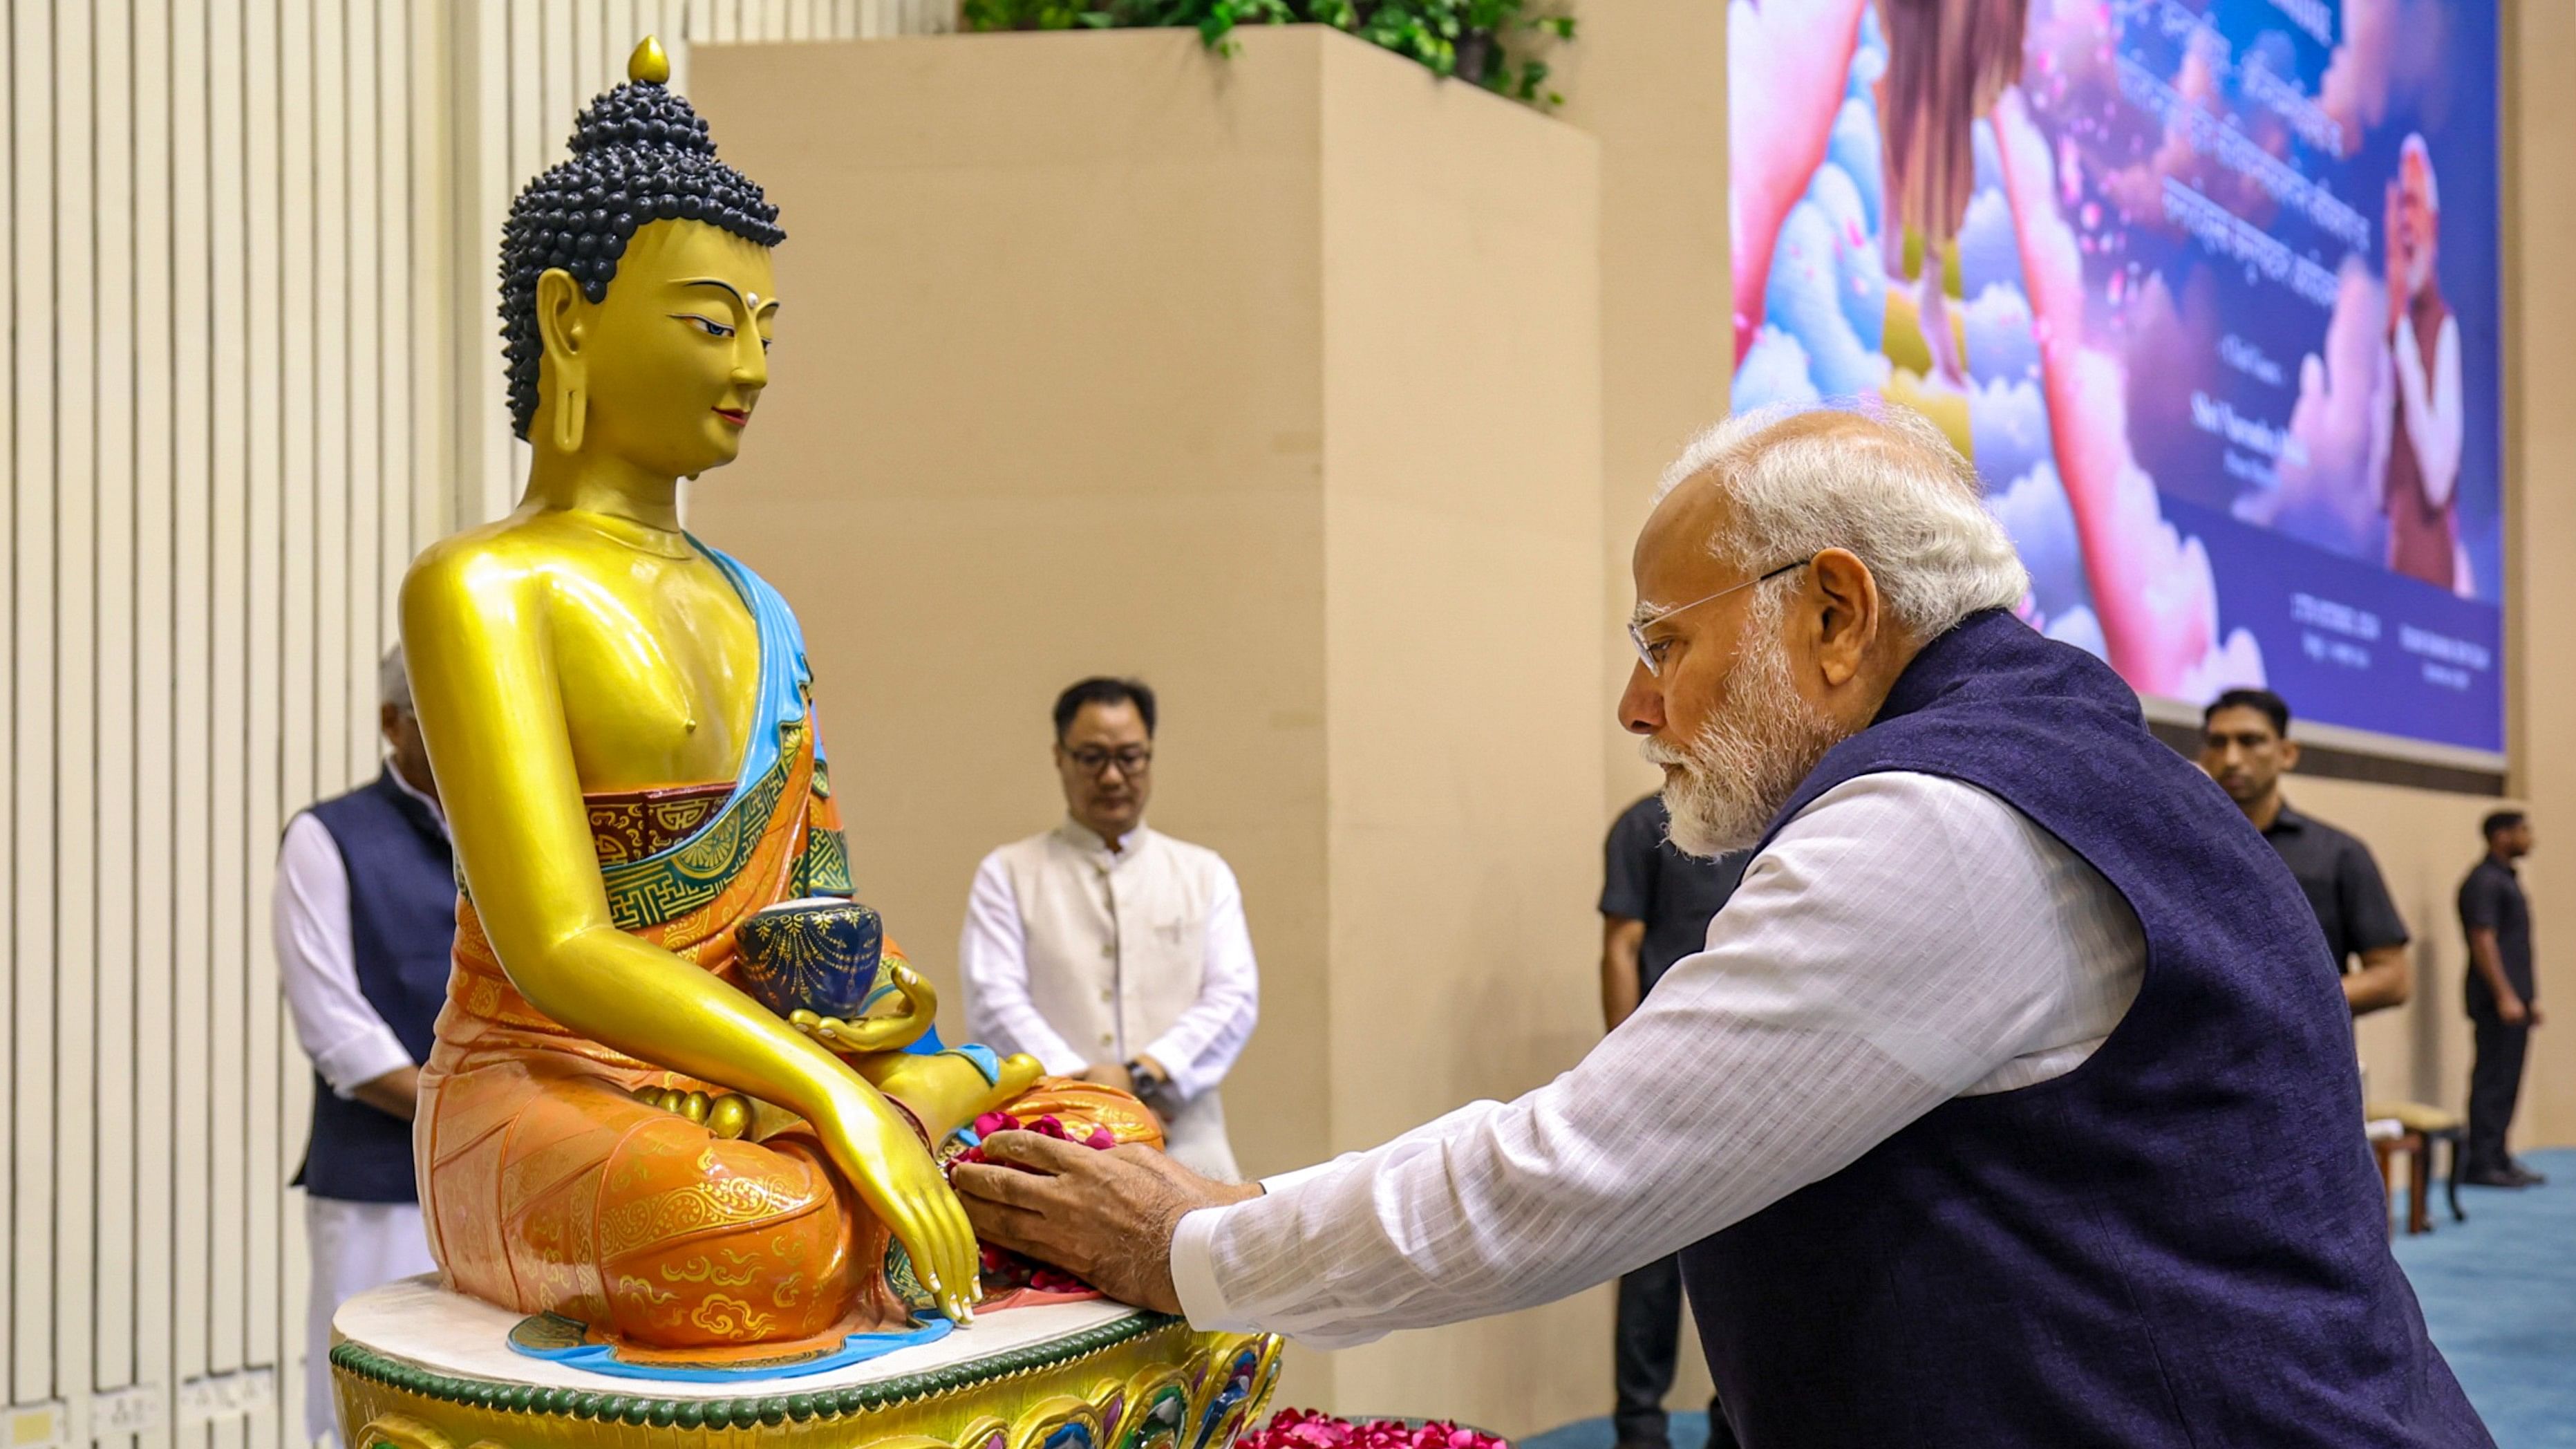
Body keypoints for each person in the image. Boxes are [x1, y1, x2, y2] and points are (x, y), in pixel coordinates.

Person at [951, 404, 2488, 1446]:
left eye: (1664, 643)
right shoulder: (2065, 759)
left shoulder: (1948, 826)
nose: (1636, 703)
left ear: (1831, 612)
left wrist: (1201, 1246)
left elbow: (1574, 1173)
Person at [961, 677, 1260, 1181]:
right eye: (1092, 757)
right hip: (1052, 1130)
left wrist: (1143, 1074)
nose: (1112, 776)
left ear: (1150, 755)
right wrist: (1084, 1085)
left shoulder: (1203, 873)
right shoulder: (1008, 873)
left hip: (1184, 1133)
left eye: (1130, 757)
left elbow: (1232, 997)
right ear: (1060, 757)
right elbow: (994, 999)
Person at [277, 647, 449, 1447]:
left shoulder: (512, 836)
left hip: (505, 1190)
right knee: (373, 1412)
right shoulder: (328, 836)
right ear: (392, 724)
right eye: (438, 717)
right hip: (382, 1185)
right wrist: (468, 1116)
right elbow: (336, 1031)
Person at [1598, 796, 1747, 1449]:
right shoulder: (1641, 827)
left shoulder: (1782, 819)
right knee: (1650, 1262)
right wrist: (1625, 1063)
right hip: (1663, 1074)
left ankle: (1732, 1420)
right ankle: (1638, 1426)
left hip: (1754, 1073)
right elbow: (1621, 945)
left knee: (1753, 1257)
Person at [2199, 688, 2412, 1016]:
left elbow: (2392, 977)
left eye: (2250, 741)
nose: (2232, 759)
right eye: (2218, 743)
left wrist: (2291, 1004)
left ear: (2288, 753)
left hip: (2308, 1059)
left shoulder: (2338, 854)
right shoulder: (2183, 852)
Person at [2379, 133, 2466, 592]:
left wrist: (2404, 347)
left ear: (2432, 221)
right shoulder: (2395, 331)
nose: (2404, 225)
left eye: (2410, 204)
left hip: (2430, 596)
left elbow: (2436, 477)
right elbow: (2378, 485)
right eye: (2397, 211)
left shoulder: (2443, 330)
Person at [2459, 811, 2543, 1188]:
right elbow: (2483, 939)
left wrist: (2529, 996)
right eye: (2524, 830)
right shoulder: (2484, 882)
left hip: (2515, 999)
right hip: (2497, 1000)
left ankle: (2499, 1155)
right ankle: (2482, 1162)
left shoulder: (2506, 879)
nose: (2531, 838)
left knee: (2508, 1080)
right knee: (2493, 1079)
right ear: (2501, 835)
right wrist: (2506, 995)